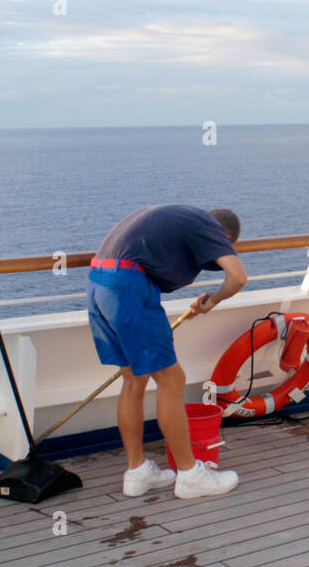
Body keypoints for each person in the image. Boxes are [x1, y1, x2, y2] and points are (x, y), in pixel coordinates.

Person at [86, 205, 248, 499]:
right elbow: (237, 277)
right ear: (224, 235)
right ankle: (190, 475)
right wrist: (213, 300)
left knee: (134, 379)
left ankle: (137, 472)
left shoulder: (177, 217)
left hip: (99, 285)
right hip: (129, 290)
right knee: (171, 380)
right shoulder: (208, 226)